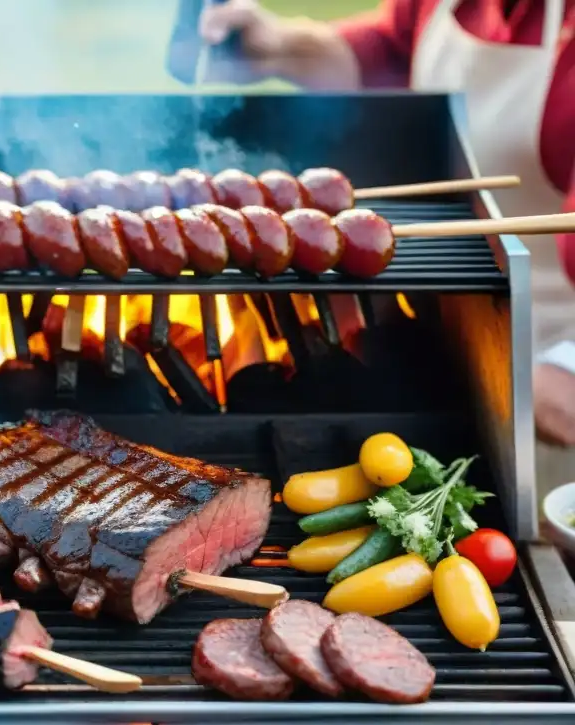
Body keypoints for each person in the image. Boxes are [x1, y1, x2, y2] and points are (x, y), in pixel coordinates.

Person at [197, 0, 575, 495]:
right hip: (465, 352)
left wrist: (552, 375)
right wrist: (278, 47)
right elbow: (389, 51)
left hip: (545, 396)